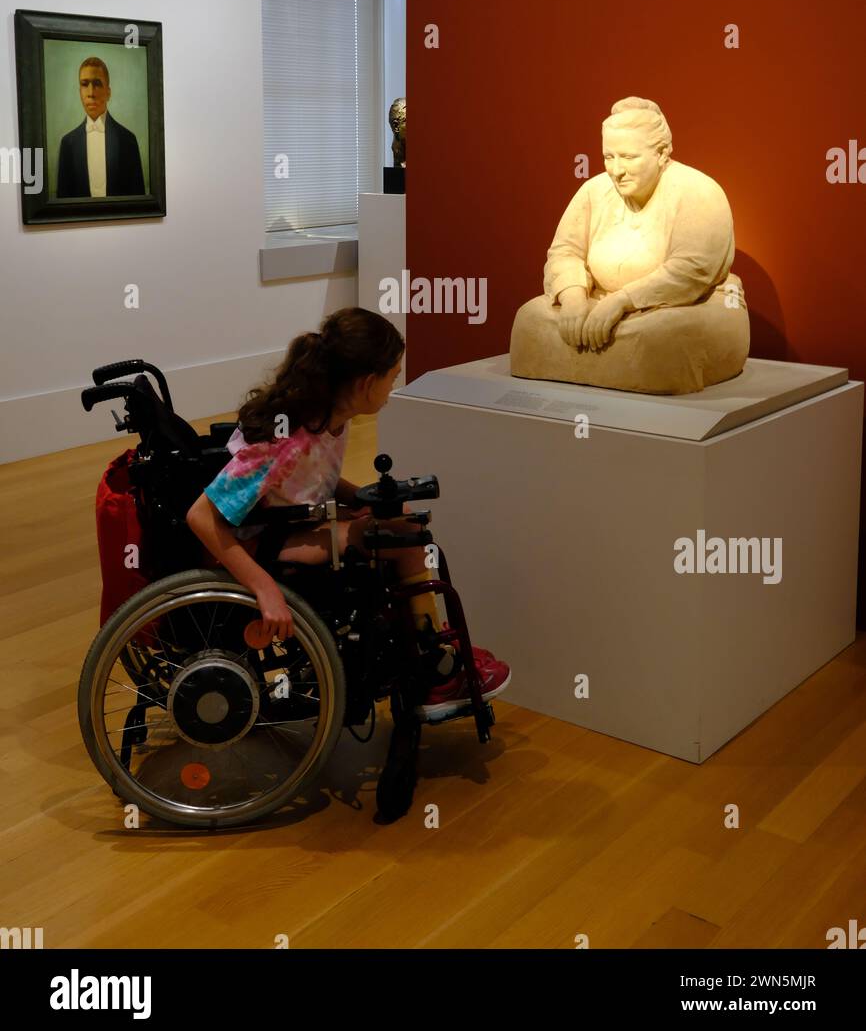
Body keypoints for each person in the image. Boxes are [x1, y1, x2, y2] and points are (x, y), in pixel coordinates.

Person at [186, 307, 510, 719]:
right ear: (366, 382)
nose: (395, 385)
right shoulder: (285, 441)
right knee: (402, 536)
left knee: (404, 518)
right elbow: (201, 515)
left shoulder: (330, 418)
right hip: (258, 544)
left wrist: (363, 497)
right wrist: (264, 588)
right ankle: (433, 668)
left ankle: (422, 647)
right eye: (394, 375)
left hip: (292, 525)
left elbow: (314, 477)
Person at [510, 97, 749, 393]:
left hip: (684, 306)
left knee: (662, 339)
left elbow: (690, 272)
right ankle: (602, 351)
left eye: (628, 157)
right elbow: (565, 251)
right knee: (530, 321)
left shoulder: (699, 192)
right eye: (609, 157)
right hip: (597, 301)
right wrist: (573, 299)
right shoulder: (594, 191)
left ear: (661, 154)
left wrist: (621, 302)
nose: (616, 170)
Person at [56, 56, 145, 197]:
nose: (91, 93)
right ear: (80, 92)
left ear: (108, 92)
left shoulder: (128, 140)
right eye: (85, 84)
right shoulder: (68, 144)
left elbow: (138, 199)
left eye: (97, 84)